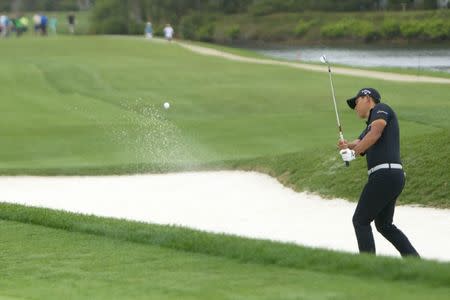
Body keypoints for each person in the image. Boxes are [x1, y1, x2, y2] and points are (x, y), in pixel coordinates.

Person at [338, 87, 419, 258]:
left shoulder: (382, 109)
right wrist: (347, 147)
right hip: (391, 177)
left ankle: (369, 267)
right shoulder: (369, 126)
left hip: (385, 175)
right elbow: (361, 141)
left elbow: (375, 134)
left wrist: (352, 153)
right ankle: (415, 262)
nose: (355, 107)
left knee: (360, 220)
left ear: (368, 98)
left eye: (357, 102)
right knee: (384, 225)